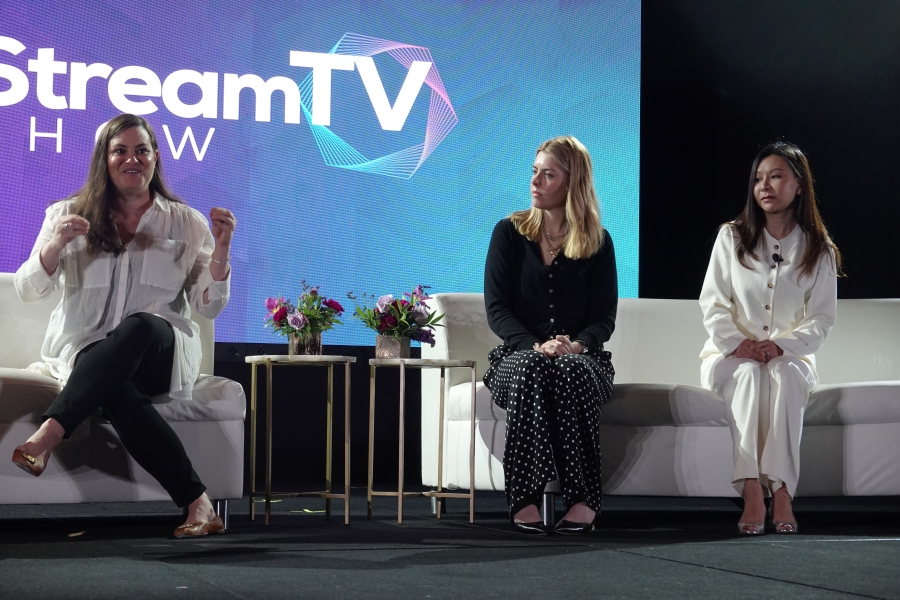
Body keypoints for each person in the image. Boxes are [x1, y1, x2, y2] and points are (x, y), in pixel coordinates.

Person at [11, 114, 237, 539]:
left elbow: (206, 307)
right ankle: (198, 504)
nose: (132, 159)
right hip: (89, 356)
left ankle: (49, 433)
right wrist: (57, 243)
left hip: (161, 352)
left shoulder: (186, 222)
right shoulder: (66, 214)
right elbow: (28, 290)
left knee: (140, 327)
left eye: (141, 151)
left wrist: (222, 252)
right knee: (117, 388)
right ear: (104, 158)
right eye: (121, 151)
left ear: (155, 158)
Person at [699, 141, 840, 536]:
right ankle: (751, 490)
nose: (765, 186)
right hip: (729, 356)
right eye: (759, 178)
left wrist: (782, 346)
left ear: (799, 185)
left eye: (776, 177)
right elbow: (713, 303)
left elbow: (821, 319)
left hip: (792, 358)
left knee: (785, 374)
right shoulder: (731, 237)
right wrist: (736, 343)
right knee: (747, 374)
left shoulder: (819, 250)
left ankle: (781, 491)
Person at [483, 135, 617, 535]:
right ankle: (523, 498)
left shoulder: (598, 242)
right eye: (534, 171)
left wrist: (575, 344)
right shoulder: (509, 233)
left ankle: (583, 500)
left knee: (571, 369)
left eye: (548, 174)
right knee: (532, 366)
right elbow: (497, 309)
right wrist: (537, 346)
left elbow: (603, 320)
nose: (535, 181)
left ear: (572, 181)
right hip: (517, 357)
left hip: (581, 357)